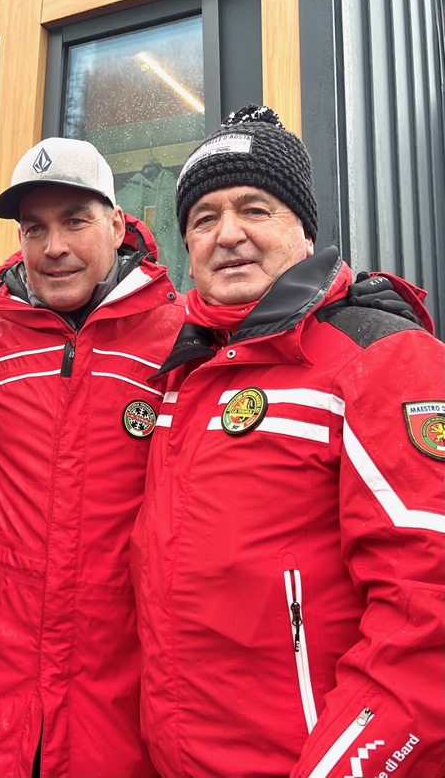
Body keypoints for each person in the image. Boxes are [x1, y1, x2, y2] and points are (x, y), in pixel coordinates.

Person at [131, 105, 444, 777]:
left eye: (255, 209)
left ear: (303, 230)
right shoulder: (183, 373)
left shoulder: (381, 357)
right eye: (204, 219)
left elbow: (428, 618)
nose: (228, 234)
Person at [0, 137, 185, 777]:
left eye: (75, 221)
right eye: (35, 228)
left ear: (117, 225)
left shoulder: (181, 342)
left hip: (118, 691)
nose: (54, 247)